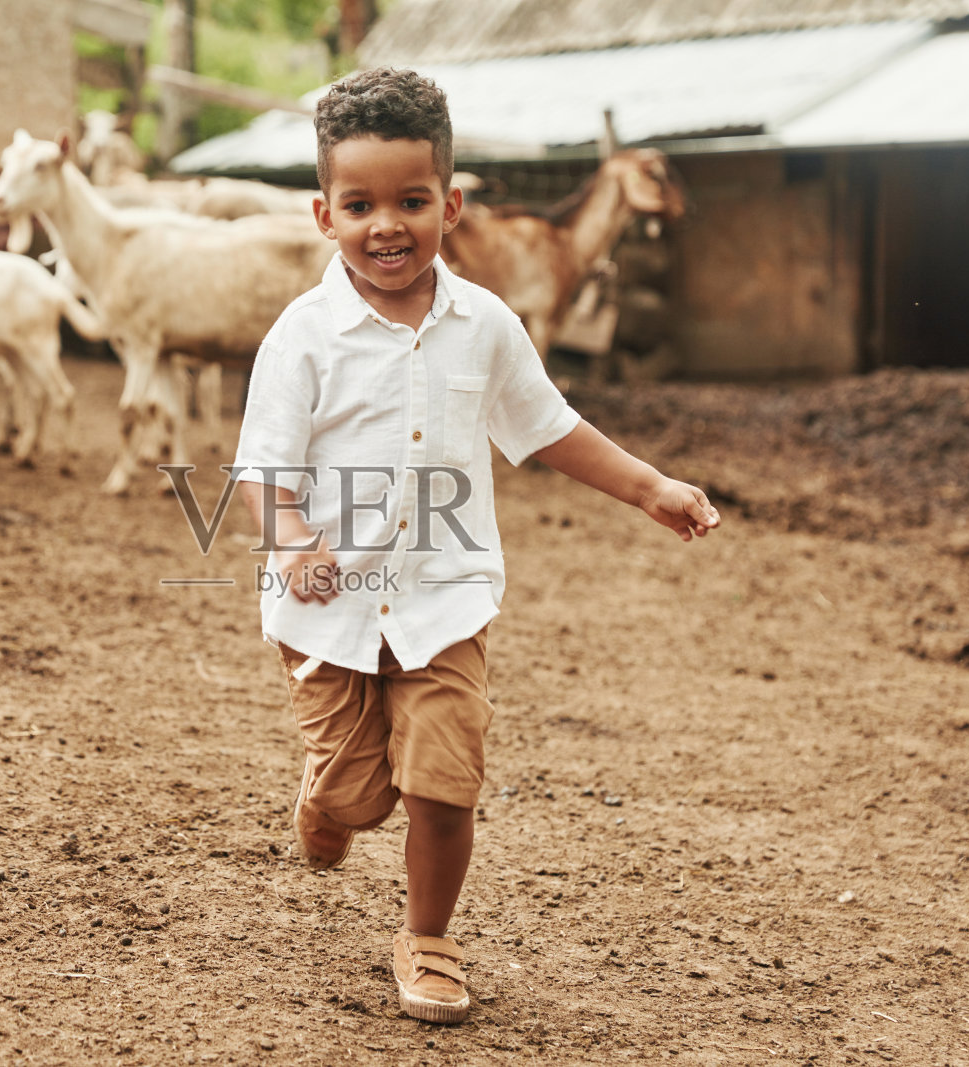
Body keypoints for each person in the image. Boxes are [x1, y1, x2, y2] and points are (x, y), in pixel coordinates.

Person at [231, 67, 720, 1024]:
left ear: (450, 205)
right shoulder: (302, 338)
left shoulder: (486, 325)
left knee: (444, 784)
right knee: (363, 798)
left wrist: (649, 485)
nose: (388, 225)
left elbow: (550, 427)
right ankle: (327, 800)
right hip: (326, 609)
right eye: (361, 203)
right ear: (323, 215)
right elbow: (259, 470)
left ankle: (429, 936)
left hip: (445, 600)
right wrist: (290, 542)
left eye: (412, 201)